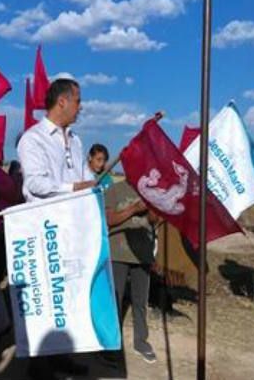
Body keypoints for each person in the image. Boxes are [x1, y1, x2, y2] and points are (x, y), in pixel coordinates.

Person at [17, 78, 93, 380]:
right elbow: (35, 183)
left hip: (73, 228)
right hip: (45, 229)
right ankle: (39, 367)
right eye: (77, 100)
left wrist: (90, 186)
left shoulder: (75, 140)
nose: (81, 106)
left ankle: (62, 356)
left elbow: (86, 175)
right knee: (47, 298)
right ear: (62, 101)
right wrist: (75, 187)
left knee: (69, 295)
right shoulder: (33, 139)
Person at [105, 179, 158, 364]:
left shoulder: (151, 190)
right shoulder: (114, 189)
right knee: (115, 301)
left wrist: (152, 209)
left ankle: (141, 341)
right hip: (118, 253)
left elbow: (153, 220)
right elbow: (109, 219)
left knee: (140, 300)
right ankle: (111, 345)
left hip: (143, 253)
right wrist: (134, 209)